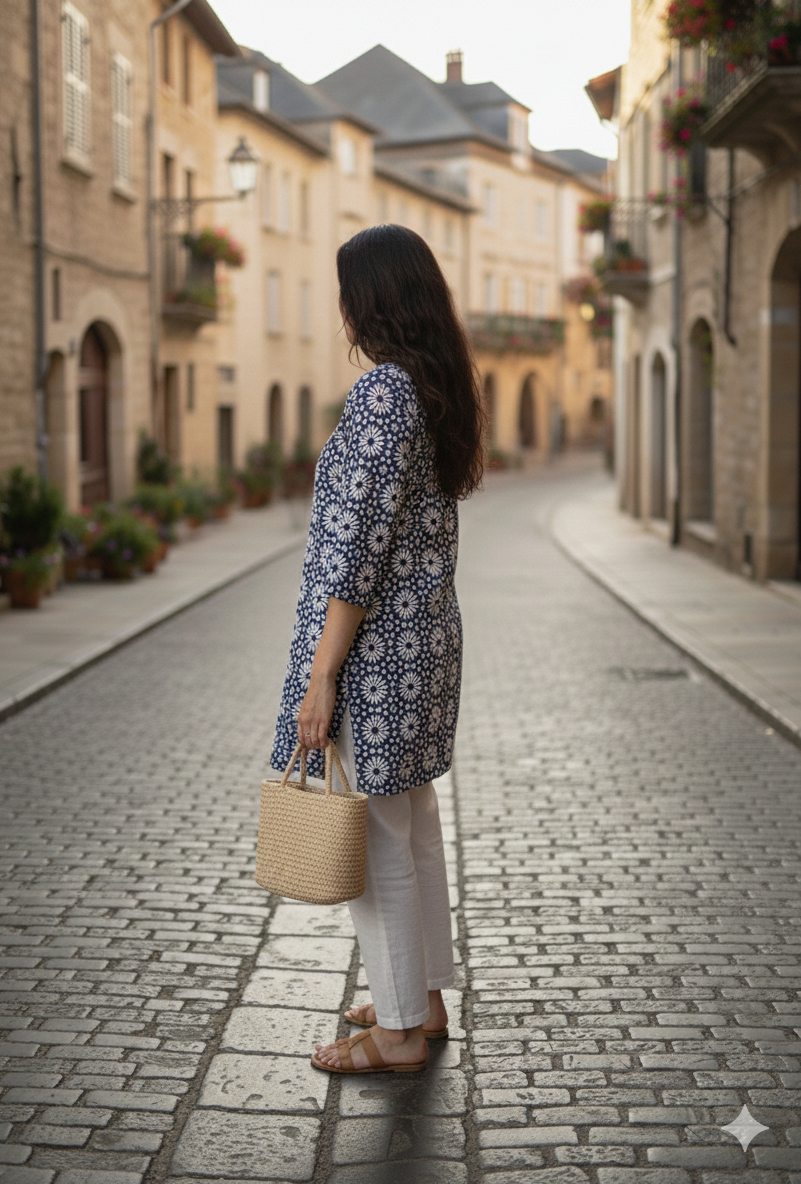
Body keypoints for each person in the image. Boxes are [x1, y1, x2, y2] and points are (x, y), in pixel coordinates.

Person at [269, 223, 485, 1074]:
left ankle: (395, 1033)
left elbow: (353, 549)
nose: (342, 310)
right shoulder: (435, 391)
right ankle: (421, 999)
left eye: (348, 293)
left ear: (372, 301)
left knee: (377, 843)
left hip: (373, 660)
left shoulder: (381, 395)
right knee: (412, 823)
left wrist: (322, 678)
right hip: (422, 648)